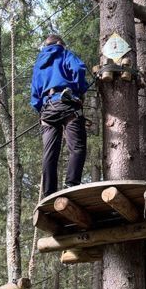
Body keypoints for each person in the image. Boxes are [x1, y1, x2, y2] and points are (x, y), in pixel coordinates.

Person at [30, 34, 88, 197]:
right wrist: (80, 89)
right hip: (67, 103)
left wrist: (41, 109)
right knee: (77, 147)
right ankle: (71, 183)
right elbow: (78, 69)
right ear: (60, 44)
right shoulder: (65, 54)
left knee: (50, 153)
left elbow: (34, 93)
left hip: (47, 109)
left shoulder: (39, 64)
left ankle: (48, 192)